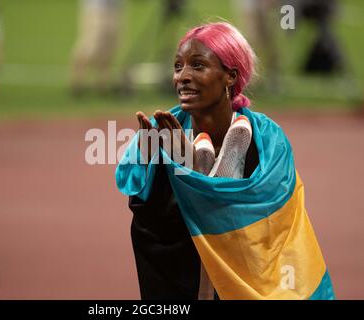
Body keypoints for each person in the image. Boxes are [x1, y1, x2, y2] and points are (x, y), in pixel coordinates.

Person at [116, 22, 335, 300]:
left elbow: (277, 218)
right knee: (163, 203)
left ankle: (210, 179)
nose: (182, 76)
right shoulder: (164, 133)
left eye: (197, 66)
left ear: (230, 77)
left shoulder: (265, 139)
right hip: (188, 265)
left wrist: (205, 190)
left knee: (248, 231)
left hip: (251, 266)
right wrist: (152, 164)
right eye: (178, 66)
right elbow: (150, 223)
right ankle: (206, 176)